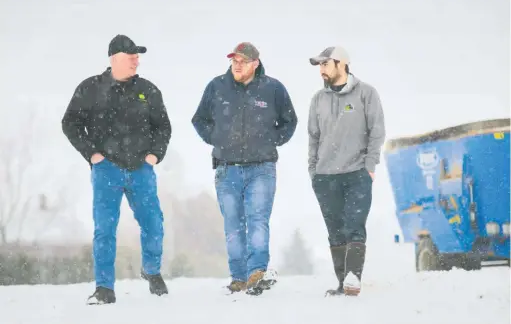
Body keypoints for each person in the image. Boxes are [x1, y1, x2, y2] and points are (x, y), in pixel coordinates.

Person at [61, 34, 172, 304]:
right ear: (114, 58)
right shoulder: (90, 88)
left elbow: (163, 127)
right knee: (105, 229)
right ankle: (104, 288)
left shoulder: (148, 90)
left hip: (141, 169)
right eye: (131, 55)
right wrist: (93, 154)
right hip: (106, 169)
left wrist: (154, 156)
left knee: (153, 224)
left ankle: (152, 270)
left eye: (138, 56)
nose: (136, 60)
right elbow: (70, 123)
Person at [191, 42, 297, 294]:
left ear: (255, 63)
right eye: (234, 61)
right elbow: (199, 120)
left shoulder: (273, 89)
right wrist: (216, 138)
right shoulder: (216, 86)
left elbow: (289, 121)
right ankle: (238, 277)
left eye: (243, 61)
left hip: (262, 168)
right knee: (233, 225)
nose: (237, 65)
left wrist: (271, 141)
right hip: (227, 169)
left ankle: (256, 273)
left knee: (258, 220)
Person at [307, 46, 385, 296]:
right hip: (325, 176)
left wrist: (369, 167)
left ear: (342, 64)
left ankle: (353, 278)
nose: (321, 70)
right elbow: (313, 137)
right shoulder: (318, 99)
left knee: (355, 225)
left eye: (325, 64)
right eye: (319, 65)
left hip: (357, 173)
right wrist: (313, 171)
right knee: (335, 231)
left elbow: (377, 132)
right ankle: (342, 283)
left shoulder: (366, 94)